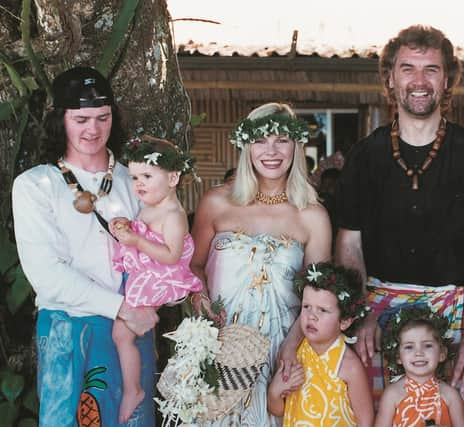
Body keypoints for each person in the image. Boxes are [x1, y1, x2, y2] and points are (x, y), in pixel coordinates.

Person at [335, 25, 464, 425]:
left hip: (451, 319)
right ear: (390, 78)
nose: (419, 80)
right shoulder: (365, 156)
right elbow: (350, 245)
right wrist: (361, 318)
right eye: (407, 68)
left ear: (447, 80)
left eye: (431, 69)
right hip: (377, 319)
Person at [11, 66, 158, 426]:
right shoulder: (35, 185)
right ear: (60, 119)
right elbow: (47, 276)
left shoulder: (134, 180)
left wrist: (139, 308)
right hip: (69, 330)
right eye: (80, 119)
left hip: (131, 335)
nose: (92, 129)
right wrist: (122, 307)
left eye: (102, 117)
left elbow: (159, 253)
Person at [189, 102, 332, 425]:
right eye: (260, 140)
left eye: (282, 140)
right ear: (246, 146)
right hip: (224, 347)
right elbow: (193, 267)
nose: (271, 151)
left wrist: (290, 349)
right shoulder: (216, 202)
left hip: (286, 348)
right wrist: (200, 300)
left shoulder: (313, 215)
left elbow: (319, 295)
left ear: (296, 146)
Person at [108, 135, 203, 423]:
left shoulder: (173, 214)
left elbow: (171, 255)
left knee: (120, 334)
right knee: (128, 335)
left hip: (160, 277)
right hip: (147, 272)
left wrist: (135, 240)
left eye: (147, 176)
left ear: (173, 177)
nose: (139, 184)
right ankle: (136, 383)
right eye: (135, 176)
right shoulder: (150, 204)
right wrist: (124, 226)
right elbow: (142, 228)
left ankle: (133, 390)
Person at [267, 262, 374, 426]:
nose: (311, 316)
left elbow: (365, 421)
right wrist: (275, 392)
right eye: (306, 306)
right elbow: (280, 410)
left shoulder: (349, 366)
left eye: (322, 310)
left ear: (345, 321)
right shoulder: (294, 356)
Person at [375, 304, 464, 427]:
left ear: (442, 354)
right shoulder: (392, 395)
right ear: (398, 357)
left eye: (427, 345)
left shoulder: (450, 395)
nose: (419, 353)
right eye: (409, 347)